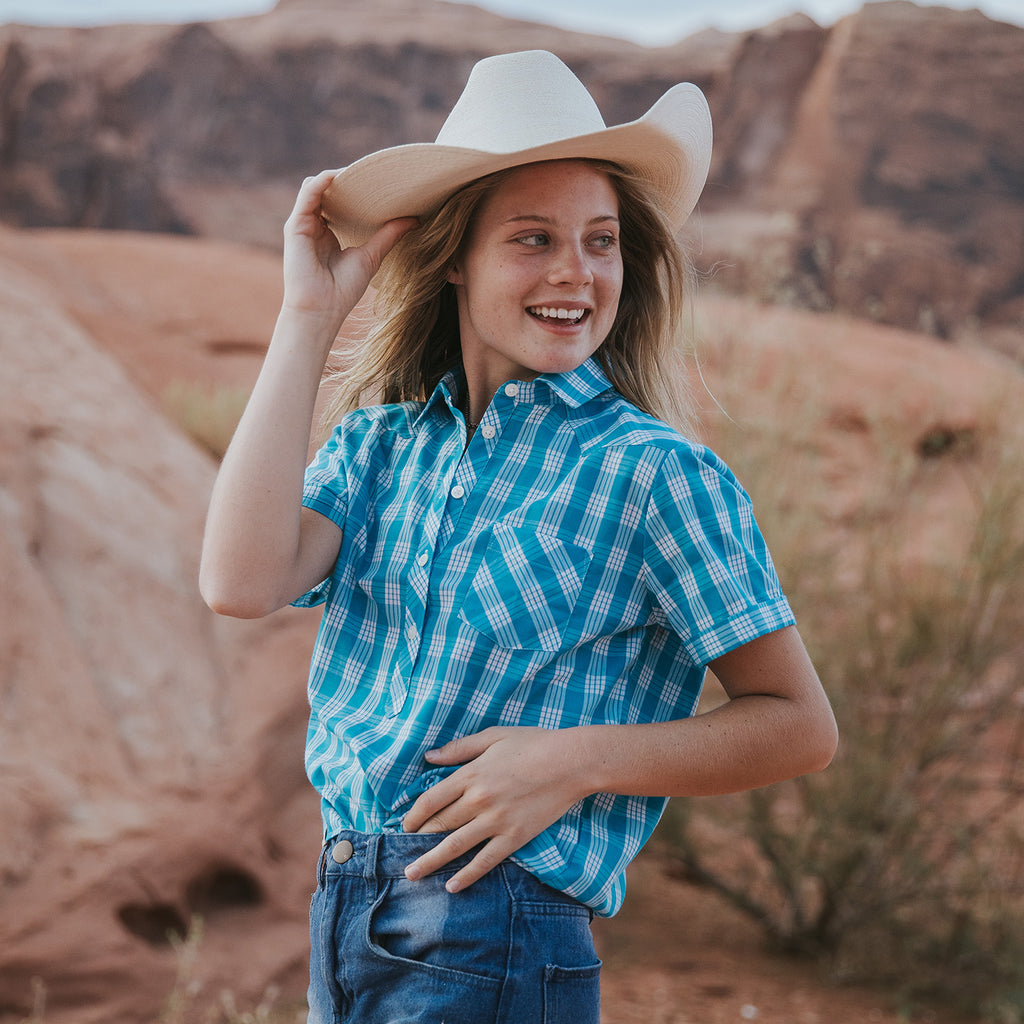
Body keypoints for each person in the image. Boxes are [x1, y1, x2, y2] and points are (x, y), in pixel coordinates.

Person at [200, 50, 838, 1024]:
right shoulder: (382, 445)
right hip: (346, 912)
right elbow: (238, 581)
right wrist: (305, 313)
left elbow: (797, 723)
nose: (574, 273)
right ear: (454, 256)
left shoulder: (652, 474)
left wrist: (574, 760)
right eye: (532, 239)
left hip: (496, 933)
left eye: (599, 240)